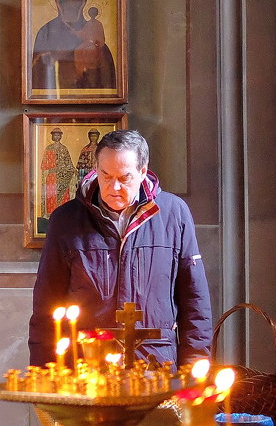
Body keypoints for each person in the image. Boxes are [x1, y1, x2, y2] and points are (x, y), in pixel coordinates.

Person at [28, 130, 212, 368]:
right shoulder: (66, 220)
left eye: (124, 178)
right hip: (88, 369)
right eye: (105, 176)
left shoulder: (174, 214)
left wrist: (194, 374)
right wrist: (44, 375)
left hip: (155, 368)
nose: (113, 187)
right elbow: (47, 305)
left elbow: (194, 301)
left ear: (143, 171)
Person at [31, 0, 117, 92]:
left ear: (84, 2)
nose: (71, 5)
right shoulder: (45, 31)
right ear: (57, 2)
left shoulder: (92, 31)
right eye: (65, 0)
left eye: (76, 0)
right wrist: (53, 56)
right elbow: (37, 71)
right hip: (52, 96)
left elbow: (107, 82)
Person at [39, 128, 76, 221]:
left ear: (61, 136)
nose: (56, 136)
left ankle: (63, 215)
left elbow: (69, 163)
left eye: (58, 135)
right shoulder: (49, 148)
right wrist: (46, 173)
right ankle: (50, 215)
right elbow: (44, 165)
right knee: (51, 195)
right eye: (54, 135)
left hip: (62, 176)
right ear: (51, 136)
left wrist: (72, 170)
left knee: (63, 195)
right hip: (51, 177)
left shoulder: (64, 149)